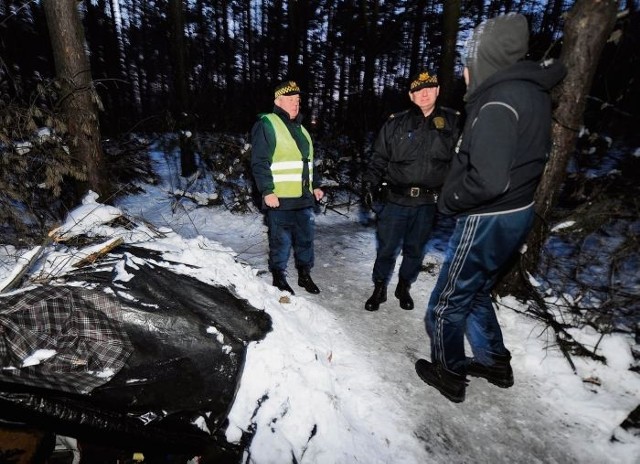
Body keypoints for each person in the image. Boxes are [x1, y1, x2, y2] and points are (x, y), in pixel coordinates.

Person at [415, 13, 567, 403]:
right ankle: (495, 363)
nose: (465, 74)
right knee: (477, 290)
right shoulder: (530, 91)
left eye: (469, 63)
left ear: (486, 59)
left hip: (488, 217)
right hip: (517, 211)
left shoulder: (498, 101)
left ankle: (448, 374)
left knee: (448, 301)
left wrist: (449, 200)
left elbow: (487, 179)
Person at [363, 69, 460, 312]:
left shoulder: (453, 122)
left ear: (437, 91)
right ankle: (379, 287)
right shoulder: (396, 123)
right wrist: (369, 184)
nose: (424, 94)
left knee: (416, 249)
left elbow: (460, 162)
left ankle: (404, 286)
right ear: (411, 95)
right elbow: (378, 157)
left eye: (429, 89)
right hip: (395, 200)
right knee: (386, 247)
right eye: (418, 90)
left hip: (428, 203)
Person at [250, 80, 324, 295]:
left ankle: (304, 274)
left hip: (303, 198)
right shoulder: (267, 124)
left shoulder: (301, 128)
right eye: (290, 100)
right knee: (280, 240)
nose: (295, 104)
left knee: (305, 239)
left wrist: (316, 186)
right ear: (278, 101)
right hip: (279, 198)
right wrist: (267, 191)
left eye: (298, 100)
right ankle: (279, 276)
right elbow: (259, 161)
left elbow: (307, 162)